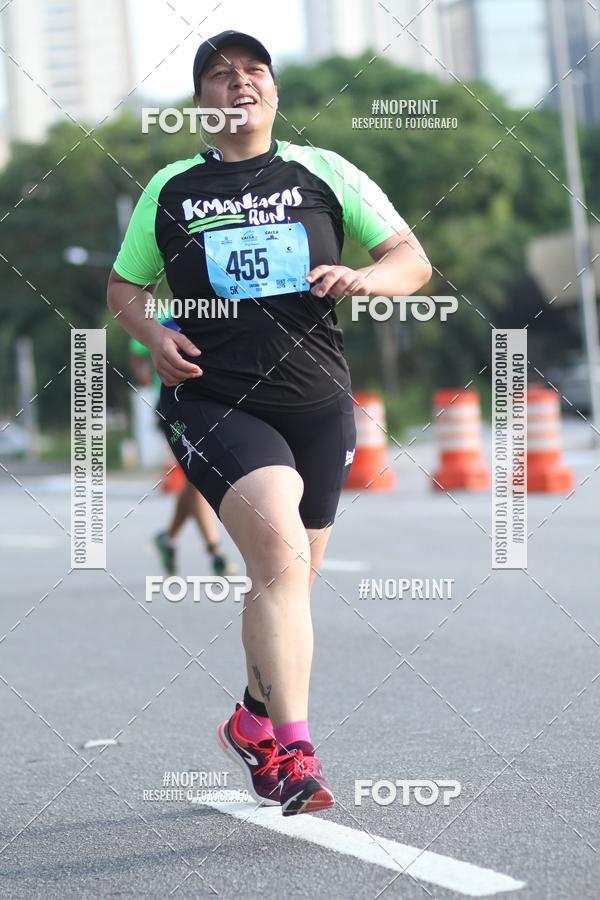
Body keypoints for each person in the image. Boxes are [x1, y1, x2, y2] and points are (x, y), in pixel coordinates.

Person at [107, 30, 432, 816]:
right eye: (220, 76)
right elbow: (124, 289)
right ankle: (296, 752)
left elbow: (411, 259)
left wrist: (366, 276)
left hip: (318, 403)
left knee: (287, 582)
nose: (239, 83)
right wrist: (155, 334)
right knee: (281, 558)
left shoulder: (324, 172)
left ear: (274, 93)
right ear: (201, 102)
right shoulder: (172, 190)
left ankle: (251, 723)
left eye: (254, 72)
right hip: (213, 399)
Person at [128, 319, 236, 577]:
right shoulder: (164, 313)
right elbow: (137, 347)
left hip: (215, 404)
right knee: (199, 479)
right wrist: (144, 374)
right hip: (175, 406)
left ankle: (168, 538)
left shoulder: (220, 305)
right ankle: (215, 552)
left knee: (198, 479)